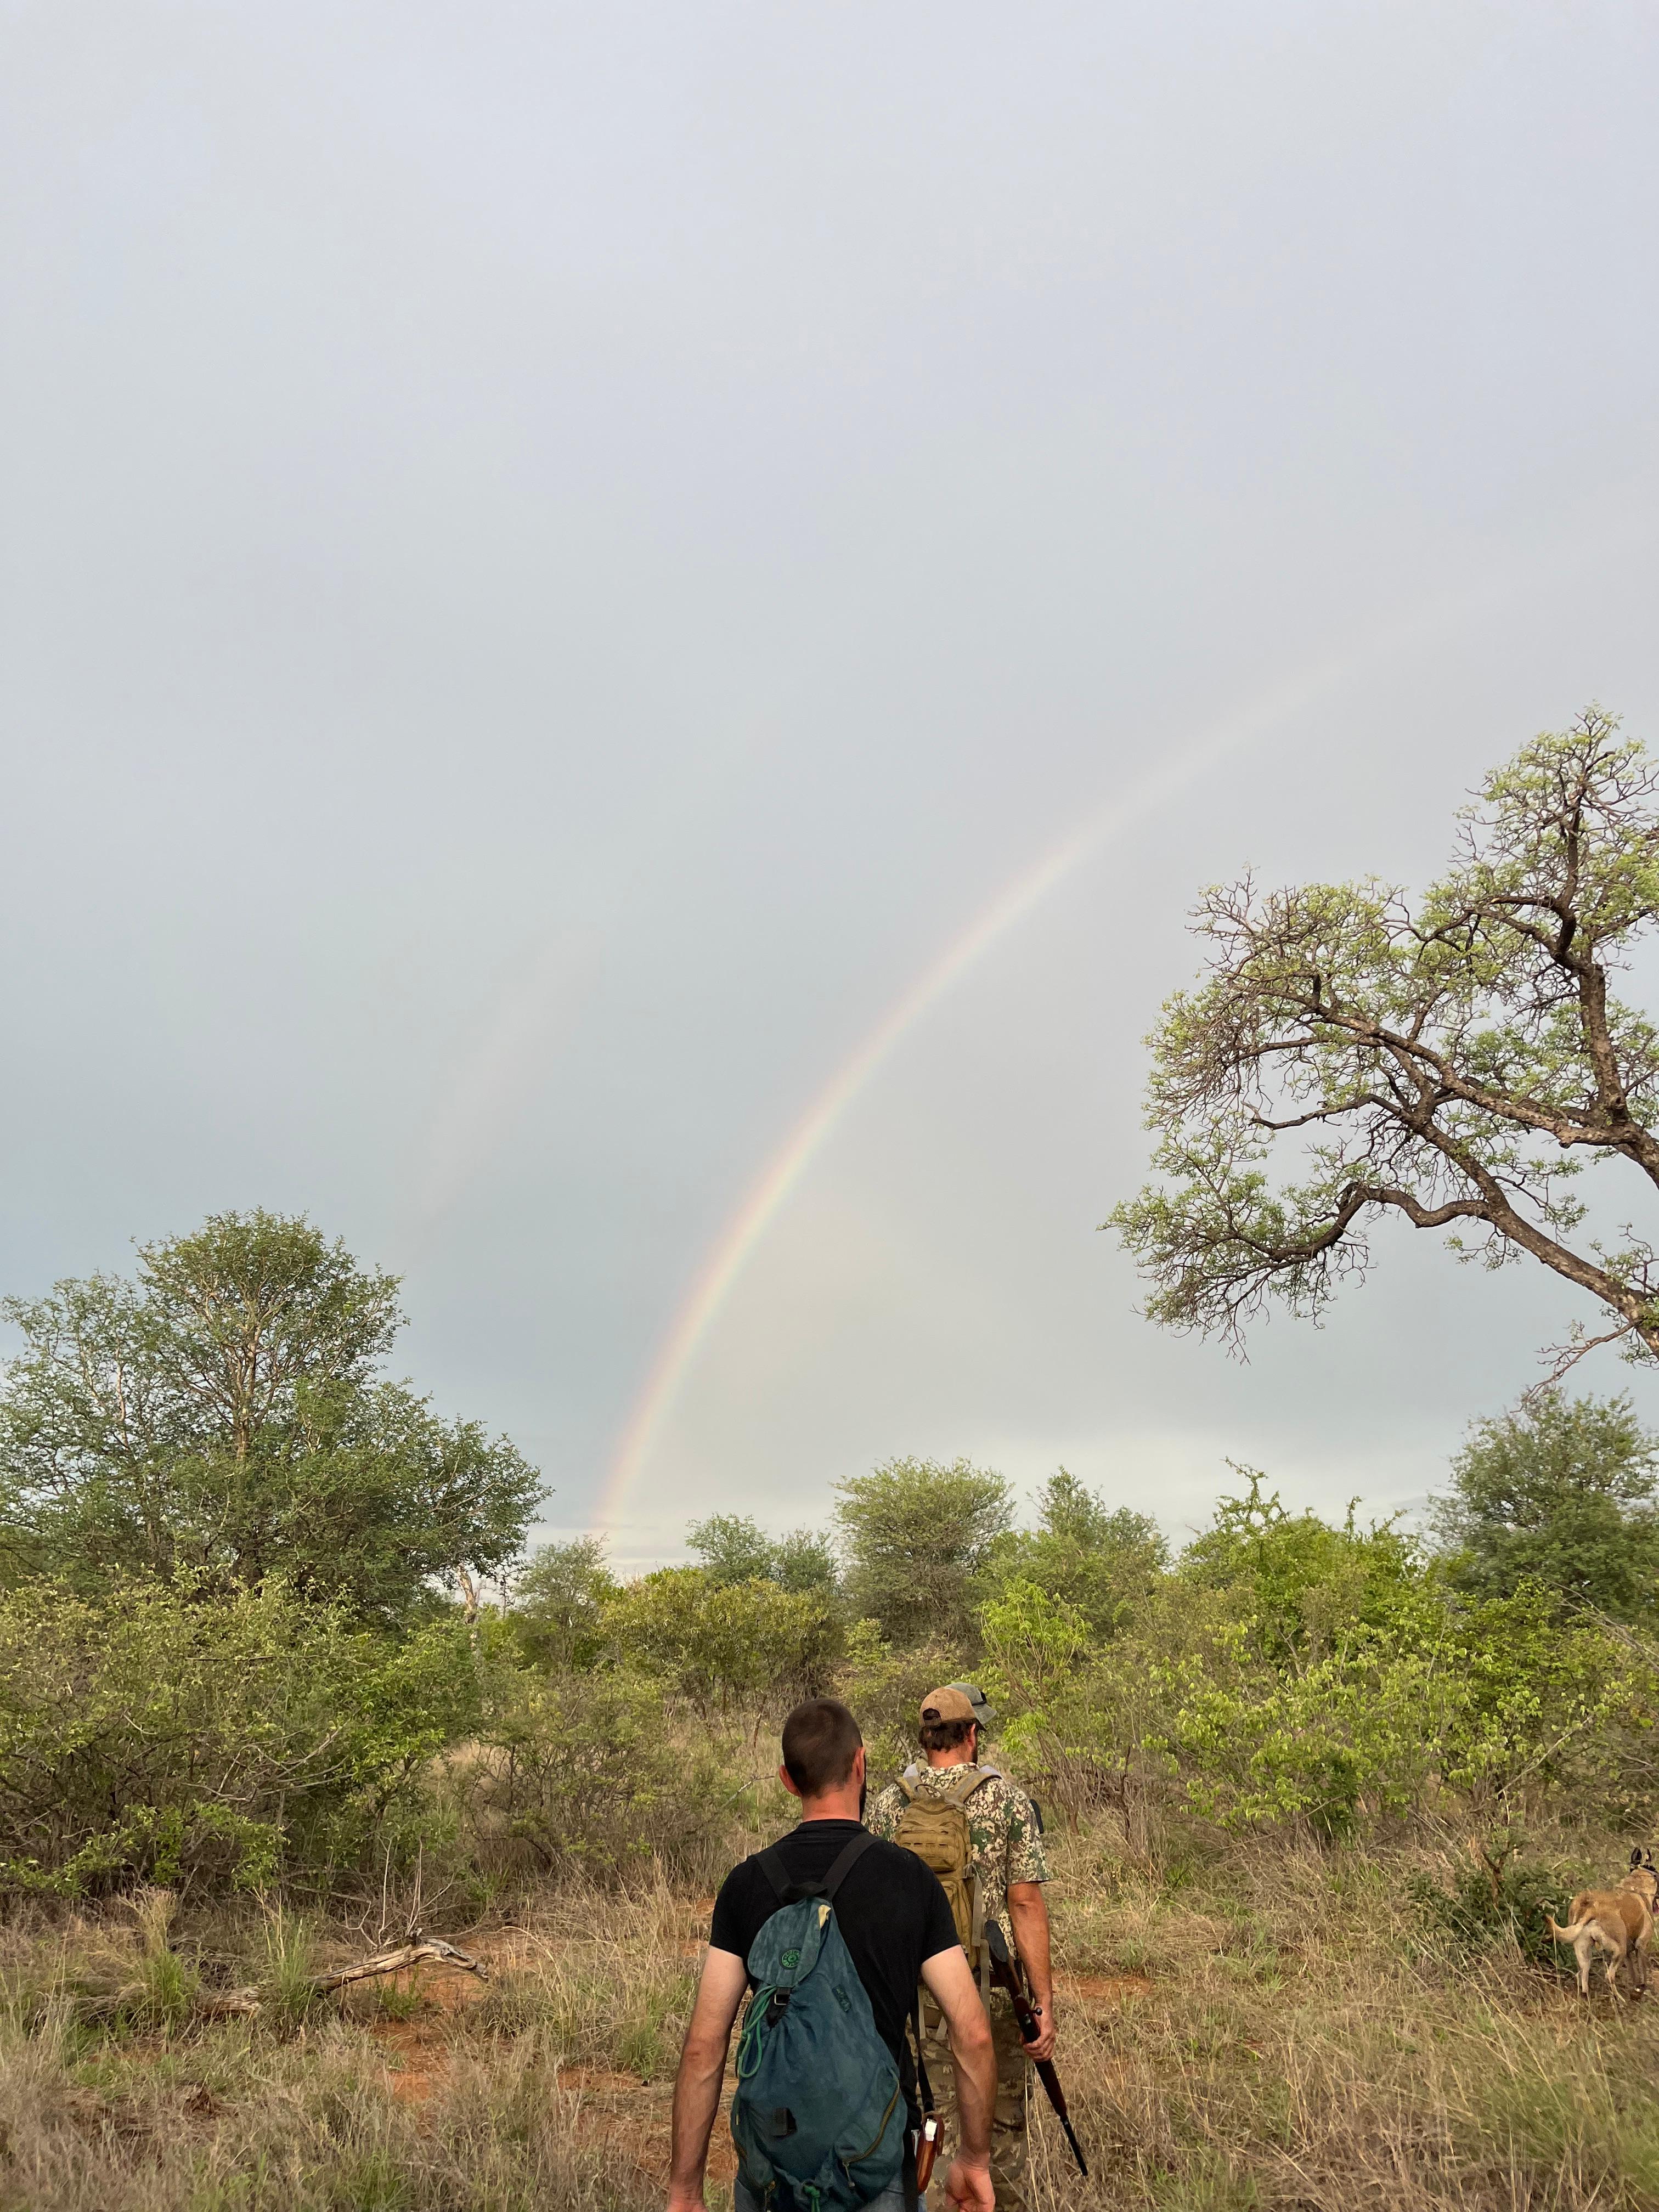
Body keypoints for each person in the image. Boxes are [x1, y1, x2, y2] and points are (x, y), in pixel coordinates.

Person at [666, 1696, 996, 2212]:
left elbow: (702, 2050)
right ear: (861, 1764)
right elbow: (972, 2032)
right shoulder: (909, 1879)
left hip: (772, 2167)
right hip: (874, 2163)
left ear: (787, 1780)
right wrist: (974, 2161)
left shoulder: (747, 1884)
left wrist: (684, 2189)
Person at [867, 1685, 1053, 2212]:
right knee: (1003, 2125)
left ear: (926, 1739)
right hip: (993, 1993)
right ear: (971, 1735)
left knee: (929, 2124)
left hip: (917, 2000)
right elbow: (1025, 1905)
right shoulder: (1008, 1801)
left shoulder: (888, 1804)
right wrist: (1043, 2002)